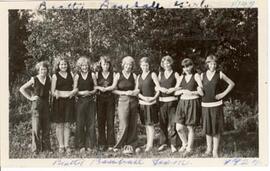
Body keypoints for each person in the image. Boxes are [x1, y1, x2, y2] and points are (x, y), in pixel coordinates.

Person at [201, 55, 235, 158]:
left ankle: (215, 151)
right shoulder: (202, 75)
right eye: (211, 63)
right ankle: (208, 149)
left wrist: (223, 94)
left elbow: (232, 83)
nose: (213, 65)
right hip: (205, 105)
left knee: (215, 129)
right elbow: (199, 87)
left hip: (216, 105)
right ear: (207, 64)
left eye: (215, 63)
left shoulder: (219, 74)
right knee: (207, 128)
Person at [19, 61, 51, 154]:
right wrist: (30, 97)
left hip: (46, 104)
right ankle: (35, 149)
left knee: (46, 127)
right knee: (36, 127)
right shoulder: (34, 79)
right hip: (37, 104)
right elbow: (22, 89)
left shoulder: (48, 78)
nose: (43, 71)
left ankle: (47, 148)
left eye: (45, 69)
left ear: (47, 70)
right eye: (41, 69)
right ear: (38, 70)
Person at [174, 58, 203, 156]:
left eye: (188, 66)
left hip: (192, 102)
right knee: (178, 127)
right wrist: (182, 91)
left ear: (191, 66)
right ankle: (185, 143)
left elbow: (201, 92)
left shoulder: (196, 76)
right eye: (184, 67)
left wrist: (191, 92)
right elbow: (175, 92)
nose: (186, 69)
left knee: (190, 127)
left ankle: (189, 148)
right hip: (182, 102)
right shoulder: (181, 77)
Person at [112, 56, 139, 154]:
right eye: (126, 64)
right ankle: (119, 145)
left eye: (130, 65)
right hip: (122, 100)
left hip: (133, 100)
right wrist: (124, 93)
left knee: (132, 123)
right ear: (123, 65)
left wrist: (134, 92)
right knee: (123, 123)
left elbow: (137, 89)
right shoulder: (118, 75)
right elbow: (113, 90)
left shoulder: (134, 76)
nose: (128, 66)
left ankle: (131, 144)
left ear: (132, 66)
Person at [51, 56, 77, 154]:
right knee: (59, 124)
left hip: (69, 102)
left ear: (67, 65)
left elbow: (75, 88)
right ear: (58, 65)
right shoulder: (55, 76)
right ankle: (61, 146)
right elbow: (52, 91)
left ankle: (67, 145)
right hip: (59, 102)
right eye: (61, 64)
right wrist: (57, 93)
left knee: (67, 124)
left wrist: (72, 92)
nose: (63, 66)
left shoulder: (71, 74)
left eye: (65, 64)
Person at [135, 57, 160, 152]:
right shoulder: (138, 76)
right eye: (143, 65)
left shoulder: (152, 74)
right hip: (142, 103)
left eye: (146, 65)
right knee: (145, 124)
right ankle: (148, 143)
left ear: (149, 65)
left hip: (151, 103)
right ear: (140, 66)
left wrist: (154, 98)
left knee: (150, 125)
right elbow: (137, 91)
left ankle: (150, 145)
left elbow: (158, 88)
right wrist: (143, 98)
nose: (145, 67)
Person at [157, 55, 180, 153]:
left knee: (173, 124)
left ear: (171, 63)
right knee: (163, 124)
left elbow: (180, 86)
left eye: (168, 63)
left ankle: (173, 144)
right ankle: (163, 143)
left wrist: (172, 89)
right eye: (164, 63)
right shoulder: (160, 74)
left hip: (172, 102)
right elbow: (156, 87)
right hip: (162, 102)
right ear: (162, 64)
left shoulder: (175, 74)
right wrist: (160, 88)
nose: (166, 65)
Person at [74, 57, 97, 153]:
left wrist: (91, 92)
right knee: (80, 123)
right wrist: (82, 93)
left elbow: (96, 88)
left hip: (91, 101)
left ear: (88, 65)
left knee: (91, 123)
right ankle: (81, 145)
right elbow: (75, 90)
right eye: (83, 65)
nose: (84, 67)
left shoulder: (92, 74)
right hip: (80, 102)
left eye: (86, 65)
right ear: (80, 66)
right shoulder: (77, 76)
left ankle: (90, 145)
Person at [95, 56, 117, 151]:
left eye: (107, 64)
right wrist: (100, 88)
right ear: (101, 64)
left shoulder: (113, 74)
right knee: (101, 121)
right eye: (104, 64)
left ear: (109, 65)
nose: (106, 66)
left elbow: (114, 86)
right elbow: (94, 86)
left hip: (110, 99)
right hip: (100, 99)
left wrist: (106, 89)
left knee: (110, 121)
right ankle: (102, 143)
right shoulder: (97, 74)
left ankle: (111, 143)